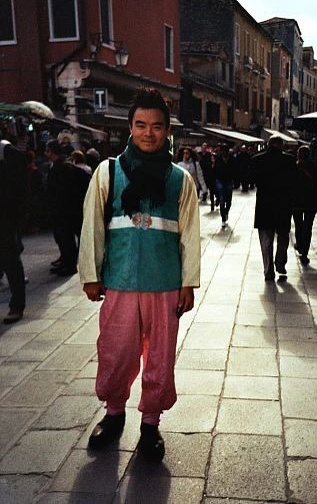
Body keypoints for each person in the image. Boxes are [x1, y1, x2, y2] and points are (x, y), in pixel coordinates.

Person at [78, 88, 200, 460]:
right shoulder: (108, 172)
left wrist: (188, 282)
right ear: (130, 127)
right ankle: (114, 413)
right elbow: (92, 225)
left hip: (165, 283)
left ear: (167, 130)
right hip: (120, 280)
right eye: (141, 125)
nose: (149, 133)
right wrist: (90, 273)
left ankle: (150, 422)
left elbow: (190, 234)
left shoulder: (180, 179)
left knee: (160, 354)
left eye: (157, 126)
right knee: (116, 350)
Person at [249, 136, 297, 281]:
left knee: (266, 239)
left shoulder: (257, 159)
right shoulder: (289, 160)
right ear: (281, 146)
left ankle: (268, 270)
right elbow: (294, 182)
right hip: (283, 205)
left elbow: (251, 179)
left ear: (268, 144)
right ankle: (280, 263)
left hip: (264, 205)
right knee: (283, 236)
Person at [45, 140, 91, 276]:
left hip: (64, 210)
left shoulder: (62, 167)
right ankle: (66, 262)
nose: (46, 153)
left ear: (52, 151)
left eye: (47, 150)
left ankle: (69, 265)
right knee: (63, 238)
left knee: (66, 238)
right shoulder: (64, 165)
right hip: (66, 209)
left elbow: (61, 190)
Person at [0, 137, 28, 324]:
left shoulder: (6, 152)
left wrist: (15, 217)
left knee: (10, 260)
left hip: (5, 218)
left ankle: (17, 304)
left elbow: (21, 188)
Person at [293, 145, 317, 266]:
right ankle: (305, 253)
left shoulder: (294, 168)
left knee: (298, 225)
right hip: (311, 203)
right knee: (308, 227)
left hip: (296, 203)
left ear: (298, 155)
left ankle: (300, 245)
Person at [214, 143, 235, 228]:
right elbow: (215, 170)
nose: (225, 152)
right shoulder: (218, 159)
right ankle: (223, 218)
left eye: (226, 150)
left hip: (229, 181)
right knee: (222, 201)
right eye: (223, 151)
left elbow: (235, 169)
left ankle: (226, 212)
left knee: (229, 201)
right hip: (220, 181)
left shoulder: (232, 159)